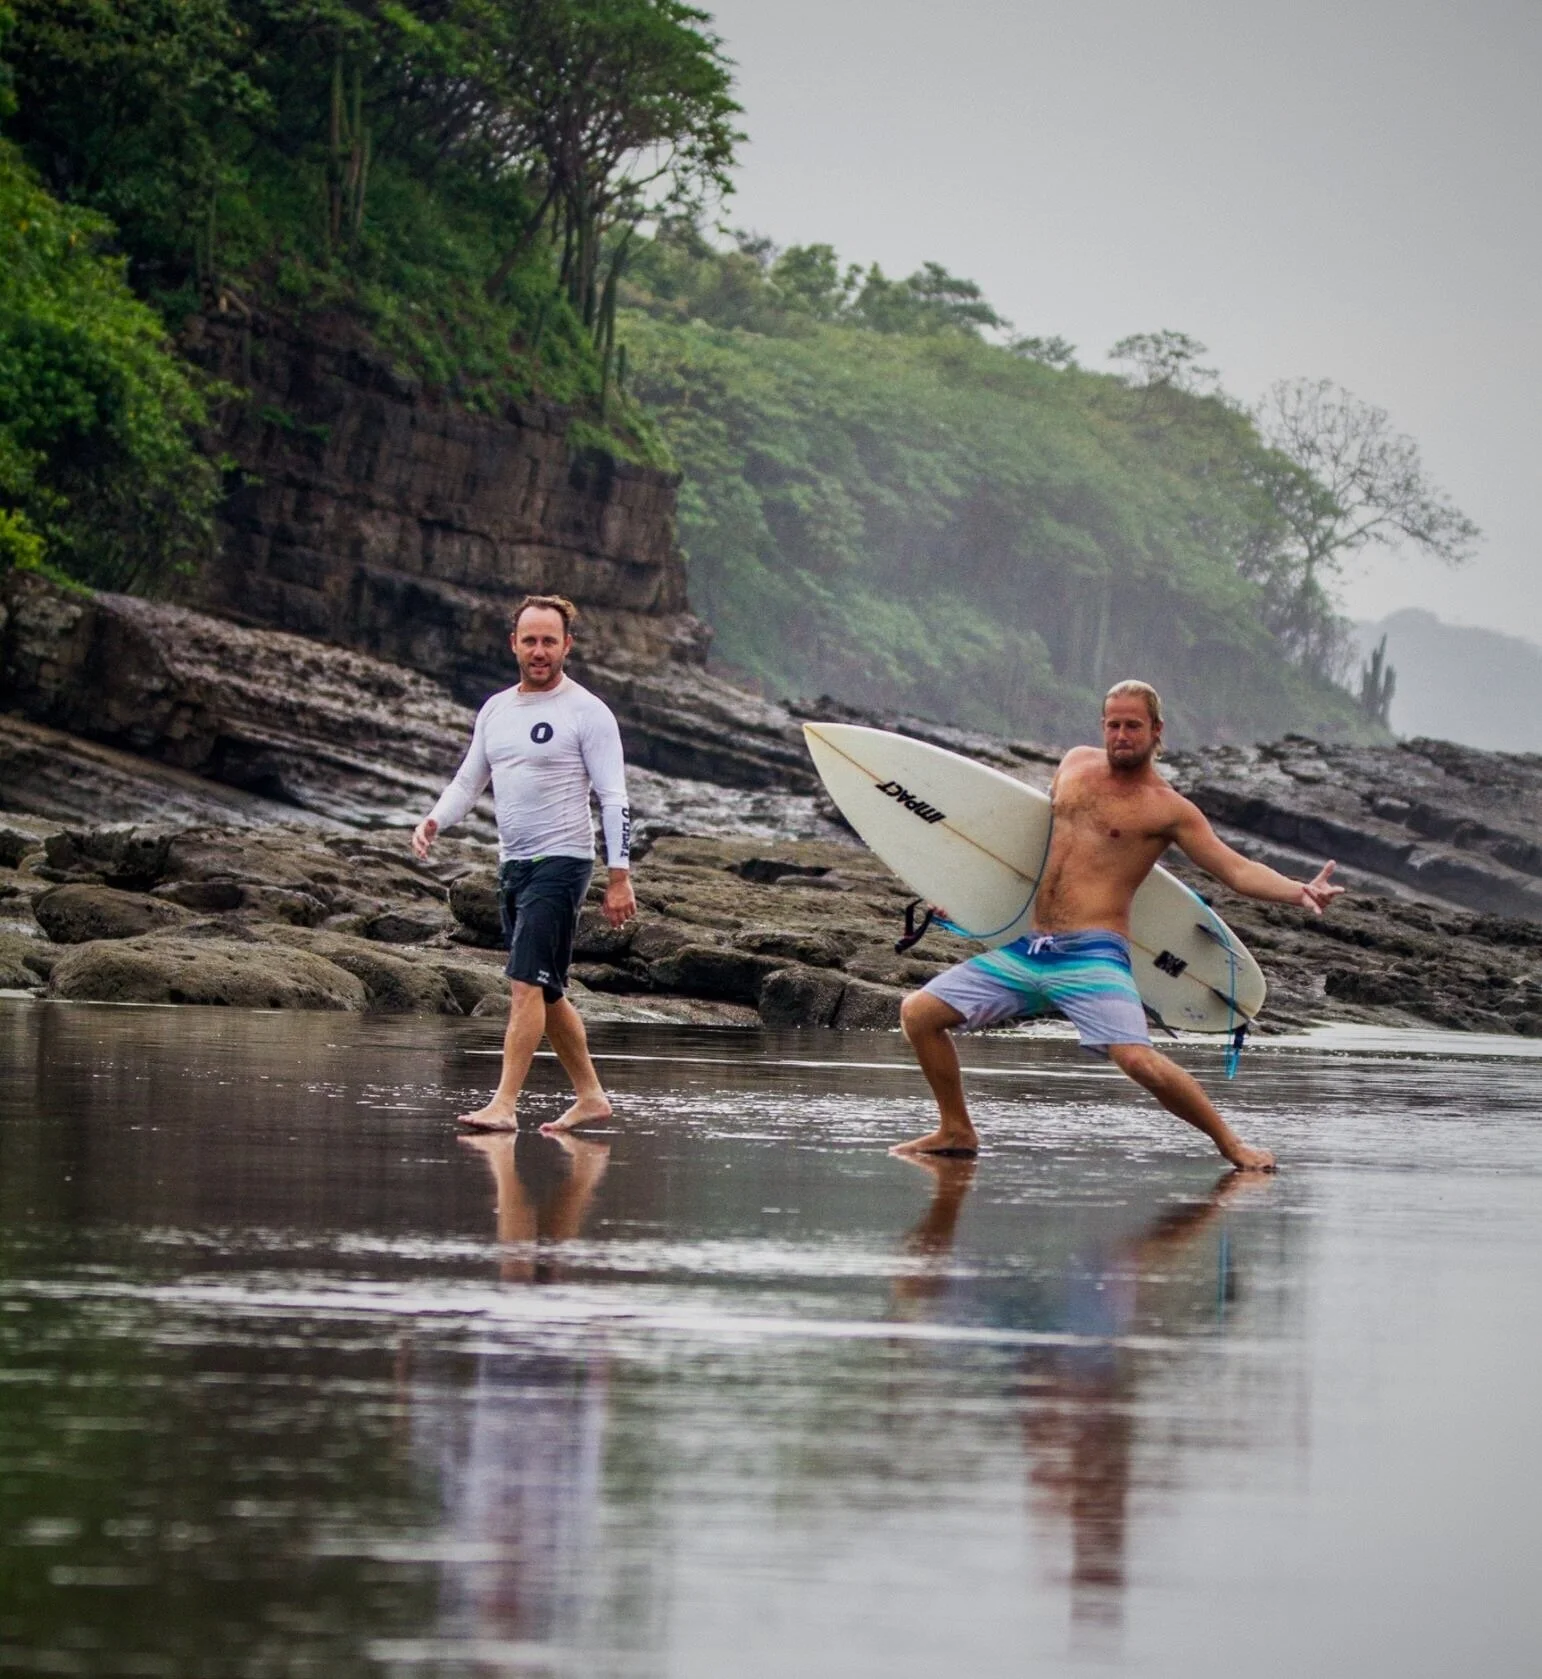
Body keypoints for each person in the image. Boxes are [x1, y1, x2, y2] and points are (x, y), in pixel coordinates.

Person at [896, 679, 1343, 1168]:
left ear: (1156, 730)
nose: (1121, 735)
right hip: (1031, 948)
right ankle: (957, 1129)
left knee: (1136, 1060)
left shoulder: (1169, 809)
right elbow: (1019, 845)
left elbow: (1235, 870)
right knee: (919, 1013)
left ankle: (1233, 1147)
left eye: (1133, 725)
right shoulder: (1073, 766)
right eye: (1113, 725)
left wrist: (1299, 890)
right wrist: (964, 899)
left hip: (1094, 955)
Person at [413, 594, 635, 1132]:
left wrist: (619, 876)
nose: (539, 651)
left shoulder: (587, 712)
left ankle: (505, 1104)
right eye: (530, 640)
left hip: (563, 862)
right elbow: (470, 780)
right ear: (514, 644)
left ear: (567, 646)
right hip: (513, 864)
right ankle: (590, 1097)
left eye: (549, 641)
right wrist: (436, 819)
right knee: (549, 988)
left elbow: (614, 798)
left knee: (524, 985)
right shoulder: (496, 709)